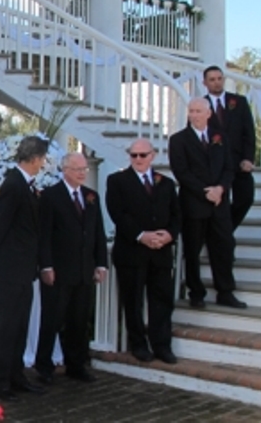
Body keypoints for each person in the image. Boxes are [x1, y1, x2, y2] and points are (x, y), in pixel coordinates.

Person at [0, 135, 49, 402]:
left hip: (23, 269)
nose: (43, 164)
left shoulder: (27, 185)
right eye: (42, 160)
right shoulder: (13, 185)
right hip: (10, 269)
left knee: (20, 326)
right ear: (34, 159)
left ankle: (16, 375)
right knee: (4, 327)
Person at [106, 139, 181, 364]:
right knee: (133, 301)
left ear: (153, 156)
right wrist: (141, 236)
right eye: (134, 155)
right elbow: (117, 213)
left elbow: (177, 215)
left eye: (142, 155)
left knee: (161, 300)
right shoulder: (117, 180)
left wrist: (169, 234)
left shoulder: (166, 184)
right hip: (132, 251)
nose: (138, 159)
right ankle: (138, 344)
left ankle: (162, 345)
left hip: (161, 252)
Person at [35, 153, 108, 384]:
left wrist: (101, 263)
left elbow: (98, 233)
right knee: (53, 319)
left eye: (84, 169)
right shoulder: (50, 196)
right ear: (65, 169)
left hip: (84, 270)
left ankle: (76, 365)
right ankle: (44, 366)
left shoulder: (91, 197)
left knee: (79, 320)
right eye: (77, 169)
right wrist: (45, 265)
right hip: (58, 270)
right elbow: (44, 235)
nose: (82, 173)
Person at [168, 98, 246, 309]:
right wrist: (206, 192)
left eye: (198, 111)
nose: (194, 115)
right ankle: (196, 292)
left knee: (224, 247)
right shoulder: (178, 140)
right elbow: (181, 173)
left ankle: (225, 291)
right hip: (194, 204)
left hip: (219, 203)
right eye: (191, 111)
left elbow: (229, 168)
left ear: (208, 113)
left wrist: (220, 189)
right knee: (192, 250)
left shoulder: (220, 138)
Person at [202, 65, 257, 230]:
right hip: (215, 165)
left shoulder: (239, 102)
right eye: (212, 80)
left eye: (219, 79)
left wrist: (248, 158)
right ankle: (222, 239)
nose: (217, 83)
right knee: (220, 204)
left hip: (239, 161)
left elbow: (249, 132)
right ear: (205, 83)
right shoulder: (201, 106)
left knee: (245, 198)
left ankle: (225, 231)